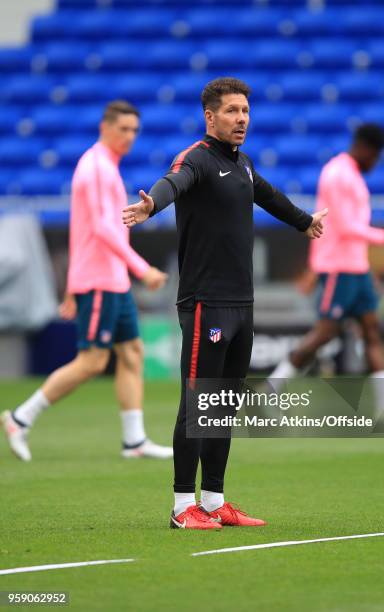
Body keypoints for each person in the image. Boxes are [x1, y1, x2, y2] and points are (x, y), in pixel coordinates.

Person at [122, 77, 327, 529]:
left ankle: (213, 500)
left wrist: (303, 222)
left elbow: (269, 196)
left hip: (241, 303)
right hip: (205, 303)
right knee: (197, 404)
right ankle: (181, 508)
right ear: (210, 116)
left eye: (246, 112)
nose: (242, 119)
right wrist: (149, 206)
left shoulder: (244, 166)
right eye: (233, 111)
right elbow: (173, 183)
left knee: (223, 403)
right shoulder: (196, 158)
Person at [1, 100, 173, 462]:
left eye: (134, 131)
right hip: (100, 279)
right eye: (123, 129)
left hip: (110, 279)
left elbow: (85, 228)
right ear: (105, 127)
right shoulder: (95, 168)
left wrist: (72, 287)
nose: (129, 137)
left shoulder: (106, 167)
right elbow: (100, 229)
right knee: (93, 361)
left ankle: (134, 441)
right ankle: (20, 417)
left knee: (131, 352)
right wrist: (141, 268)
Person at [268, 123, 384, 422]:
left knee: (372, 330)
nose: (375, 164)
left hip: (356, 268)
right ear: (367, 149)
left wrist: (368, 268)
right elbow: (346, 226)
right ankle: (271, 389)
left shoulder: (350, 174)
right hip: (338, 267)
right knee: (326, 332)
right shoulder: (338, 174)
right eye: (376, 157)